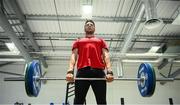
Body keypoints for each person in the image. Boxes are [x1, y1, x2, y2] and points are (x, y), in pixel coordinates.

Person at [66, 20, 114, 105]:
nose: (89, 26)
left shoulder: (100, 41)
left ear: (94, 28)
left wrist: (110, 72)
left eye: (91, 25)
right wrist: (70, 71)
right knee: (78, 102)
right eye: (87, 25)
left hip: (98, 72)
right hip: (82, 72)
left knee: (102, 102)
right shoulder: (78, 41)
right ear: (84, 28)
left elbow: (106, 56)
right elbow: (74, 56)